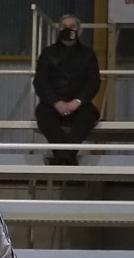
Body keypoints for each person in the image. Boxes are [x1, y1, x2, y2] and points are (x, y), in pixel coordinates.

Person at [33, 13, 101, 166]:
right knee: (44, 117)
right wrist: (56, 102)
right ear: (58, 29)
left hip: (80, 106)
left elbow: (93, 82)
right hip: (51, 105)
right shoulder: (47, 53)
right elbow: (40, 82)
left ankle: (61, 158)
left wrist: (76, 102)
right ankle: (68, 158)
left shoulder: (88, 54)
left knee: (89, 116)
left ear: (80, 30)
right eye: (64, 27)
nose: (68, 29)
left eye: (72, 27)